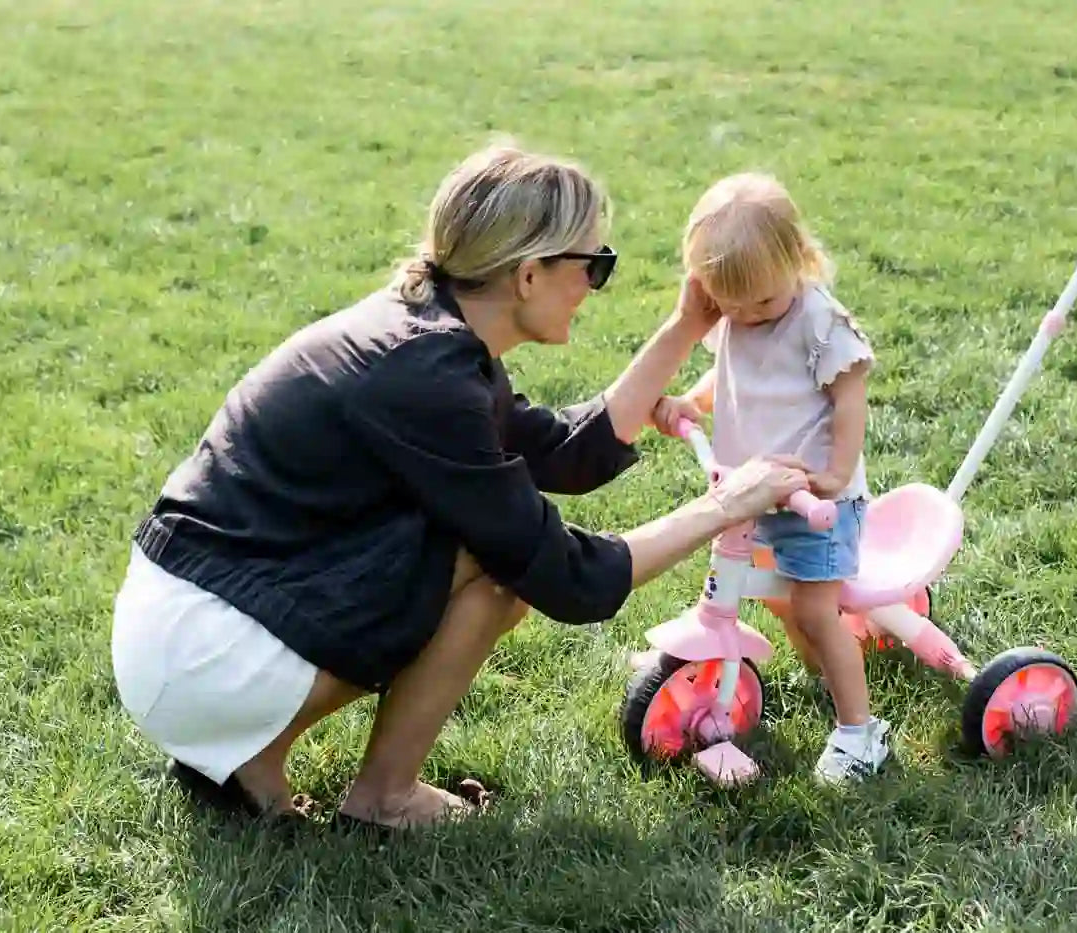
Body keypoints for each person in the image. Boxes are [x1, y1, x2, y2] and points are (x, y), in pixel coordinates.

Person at [110, 143, 811, 830]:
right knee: (498, 567)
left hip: (183, 634)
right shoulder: (426, 378)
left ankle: (251, 761)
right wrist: (726, 505)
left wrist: (688, 326)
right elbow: (570, 578)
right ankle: (382, 796)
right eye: (594, 264)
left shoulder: (427, 334)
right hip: (201, 652)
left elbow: (568, 452)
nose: (596, 285)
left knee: (491, 550)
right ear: (529, 275)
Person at [651, 172, 886, 784]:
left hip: (815, 502)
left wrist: (836, 473)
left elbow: (850, 396)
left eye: (760, 302)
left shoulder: (817, 320)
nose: (747, 315)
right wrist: (694, 403)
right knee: (745, 590)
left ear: (798, 258)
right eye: (731, 305)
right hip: (753, 494)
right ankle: (792, 669)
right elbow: (734, 376)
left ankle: (860, 733)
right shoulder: (739, 314)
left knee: (811, 610)